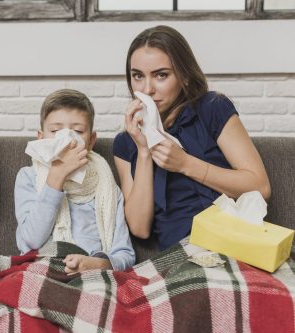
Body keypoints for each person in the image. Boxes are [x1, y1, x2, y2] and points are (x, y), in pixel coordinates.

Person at [113, 25, 271, 251]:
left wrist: (185, 163)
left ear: (184, 77)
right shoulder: (125, 143)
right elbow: (139, 228)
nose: (147, 89)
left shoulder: (213, 109)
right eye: (138, 76)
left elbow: (260, 187)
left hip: (236, 240)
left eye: (161, 75)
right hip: (181, 254)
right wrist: (144, 151)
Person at [15, 89, 136, 273]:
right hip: (43, 269)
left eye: (78, 131)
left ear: (91, 140)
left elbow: (125, 255)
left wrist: (95, 264)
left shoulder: (107, 187)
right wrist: (56, 176)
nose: (67, 139)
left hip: (91, 274)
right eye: (55, 130)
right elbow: (30, 241)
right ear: (40, 138)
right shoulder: (28, 177)